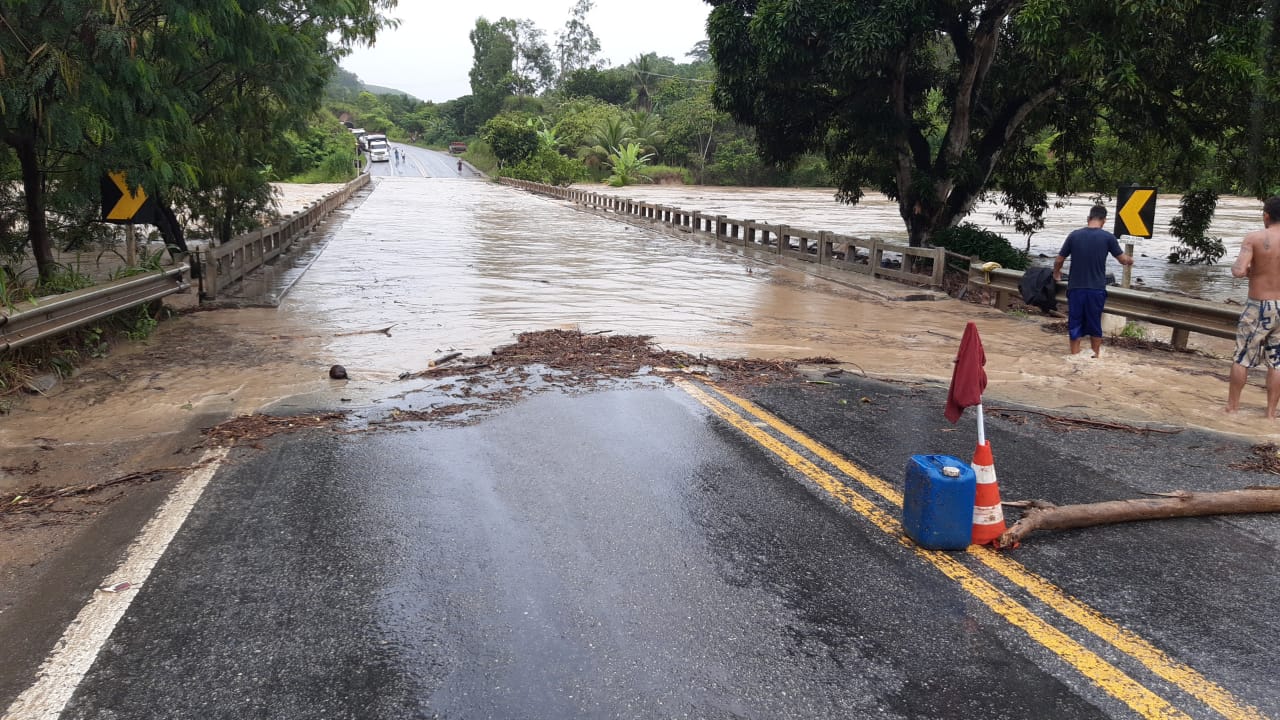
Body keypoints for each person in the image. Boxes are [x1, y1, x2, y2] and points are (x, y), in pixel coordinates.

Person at [1052, 205, 1134, 357]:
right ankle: (1095, 356)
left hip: (1076, 288)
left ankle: (1075, 356)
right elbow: (1122, 260)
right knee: (1095, 323)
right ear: (1103, 221)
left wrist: (1056, 274)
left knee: (1075, 323)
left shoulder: (1074, 235)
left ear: (1088, 219)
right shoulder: (1108, 237)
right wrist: (1130, 259)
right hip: (1096, 289)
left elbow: (1059, 259)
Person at [1226, 196, 1280, 416]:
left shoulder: (1255, 238)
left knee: (1242, 358)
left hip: (1259, 305)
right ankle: (1270, 414)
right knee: (1277, 361)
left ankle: (1232, 408)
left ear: (1266, 215)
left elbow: (1239, 270)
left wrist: (1250, 270)